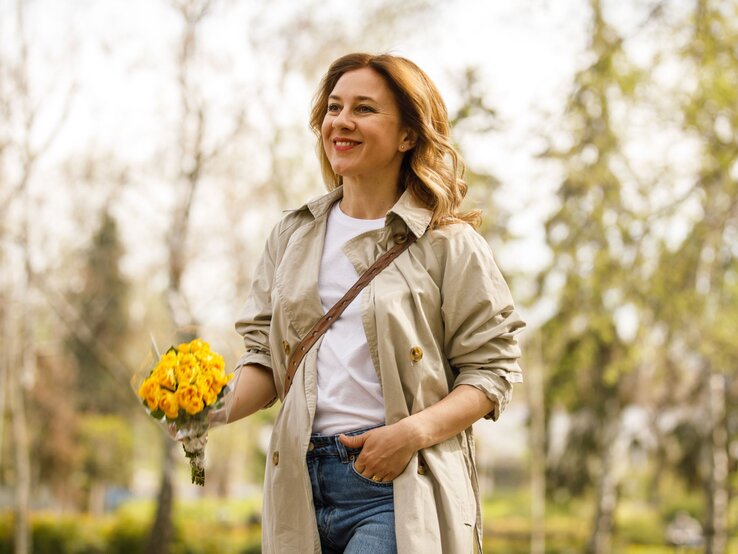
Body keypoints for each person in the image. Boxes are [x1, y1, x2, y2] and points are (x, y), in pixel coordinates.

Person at [227, 52, 525, 553]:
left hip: (399, 485)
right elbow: (268, 361)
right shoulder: (292, 235)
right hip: (299, 485)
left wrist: (409, 434)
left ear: (409, 135)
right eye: (335, 108)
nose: (341, 122)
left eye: (364, 109)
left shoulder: (447, 243)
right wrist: (204, 410)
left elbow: (493, 371)